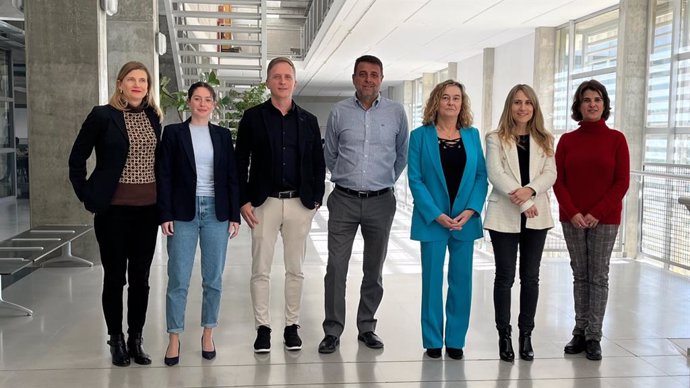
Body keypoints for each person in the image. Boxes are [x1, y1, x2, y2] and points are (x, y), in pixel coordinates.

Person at [68, 61, 162, 367]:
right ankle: (116, 339)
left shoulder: (153, 117)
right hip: (113, 212)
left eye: (143, 81)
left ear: (148, 87)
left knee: (141, 278)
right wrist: (87, 194)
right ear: (120, 83)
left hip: (147, 211)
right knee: (114, 277)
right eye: (131, 80)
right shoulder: (102, 115)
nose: (137, 85)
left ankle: (136, 338)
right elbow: (77, 157)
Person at [235, 57, 326, 353]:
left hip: (299, 203)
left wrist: (315, 200)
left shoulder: (309, 121)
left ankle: (291, 326)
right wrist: (243, 200)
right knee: (260, 269)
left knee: (295, 269)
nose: (283, 81)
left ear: (294, 82)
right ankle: (262, 328)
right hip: (264, 203)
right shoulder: (252, 118)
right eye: (277, 76)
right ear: (268, 83)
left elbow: (317, 163)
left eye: (288, 76)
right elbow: (240, 162)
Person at [319, 55, 409, 354]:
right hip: (343, 199)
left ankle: (367, 326)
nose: (368, 79)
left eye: (374, 74)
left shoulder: (397, 112)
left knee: (374, 268)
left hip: (381, 202)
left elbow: (401, 155)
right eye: (362, 74)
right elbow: (330, 154)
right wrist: (346, 178)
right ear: (354, 77)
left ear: (381, 78)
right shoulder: (339, 112)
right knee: (335, 267)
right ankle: (332, 329)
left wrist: (382, 181)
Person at [158, 82, 241, 366]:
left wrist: (234, 214)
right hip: (183, 213)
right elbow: (164, 175)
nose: (202, 104)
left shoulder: (221, 135)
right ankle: (174, 337)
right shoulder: (173, 133)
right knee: (178, 278)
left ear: (214, 104)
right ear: (188, 102)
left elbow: (232, 176)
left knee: (213, 279)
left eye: (207, 99)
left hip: (215, 212)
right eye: (197, 98)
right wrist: (165, 214)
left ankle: (208, 333)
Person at [407, 80, 487, 360]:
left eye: (456, 98)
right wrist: (436, 214)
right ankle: (431, 340)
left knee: (461, 281)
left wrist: (472, 209)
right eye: (445, 97)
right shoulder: (419, 136)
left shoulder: (473, 136)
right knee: (431, 282)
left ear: (462, 104)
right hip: (433, 220)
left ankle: (455, 340)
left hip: (465, 220)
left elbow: (480, 176)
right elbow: (415, 180)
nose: (451, 102)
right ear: (435, 102)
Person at [553, 79, 629, 361]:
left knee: (598, 276)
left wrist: (597, 212)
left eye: (597, 99)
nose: (592, 104)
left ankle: (594, 334)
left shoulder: (617, 139)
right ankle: (579, 330)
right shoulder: (567, 141)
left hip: (605, 219)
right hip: (571, 217)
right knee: (580, 274)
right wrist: (573, 211)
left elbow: (621, 182)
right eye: (587, 100)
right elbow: (558, 180)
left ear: (604, 104)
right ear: (579, 106)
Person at [484, 84, 556, 362]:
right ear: (509, 107)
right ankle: (504, 335)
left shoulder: (546, 139)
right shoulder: (495, 138)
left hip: (537, 218)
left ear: (534, 107)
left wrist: (532, 192)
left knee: (531, 278)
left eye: (528, 103)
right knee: (504, 278)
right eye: (517, 102)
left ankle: (526, 335)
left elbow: (551, 173)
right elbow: (496, 173)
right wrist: (525, 201)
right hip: (505, 215)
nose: (522, 107)